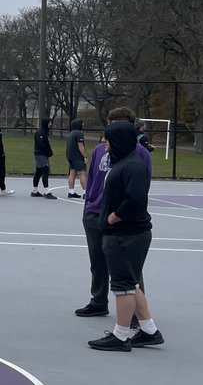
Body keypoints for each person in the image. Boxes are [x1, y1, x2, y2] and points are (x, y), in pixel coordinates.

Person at [88, 120, 165, 352]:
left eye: (107, 138)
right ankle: (149, 331)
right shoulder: (125, 163)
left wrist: (113, 217)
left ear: (118, 140)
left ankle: (120, 336)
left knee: (122, 285)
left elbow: (135, 201)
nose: (104, 142)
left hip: (126, 235)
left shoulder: (133, 166)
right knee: (131, 282)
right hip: (125, 234)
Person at [75, 108, 153, 319]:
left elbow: (140, 189)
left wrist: (120, 214)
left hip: (121, 219)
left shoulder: (140, 154)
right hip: (95, 212)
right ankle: (98, 301)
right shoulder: (101, 150)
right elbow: (92, 178)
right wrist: (89, 202)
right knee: (97, 261)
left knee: (130, 270)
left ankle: (136, 315)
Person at [30, 117, 57, 199]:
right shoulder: (40, 133)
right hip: (40, 154)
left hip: (42, 154)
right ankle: (47, 191)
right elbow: (41, 144)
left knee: (38, 172)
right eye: (49, 123)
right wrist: (48, 152)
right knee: (45, 170)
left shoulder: (45, 132)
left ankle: (34, 191)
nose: (51, 124)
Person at [65, 118, 87, 198]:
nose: (83, 125)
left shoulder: (71, 133)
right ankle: (85, 192)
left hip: (70, 156)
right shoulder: (79, 134)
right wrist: (85, 156)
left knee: (72, 173)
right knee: (82, 173)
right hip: (77, 156)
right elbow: (80, 146)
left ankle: (71, 191)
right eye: (82, 123)